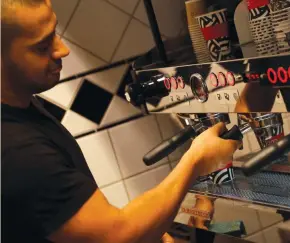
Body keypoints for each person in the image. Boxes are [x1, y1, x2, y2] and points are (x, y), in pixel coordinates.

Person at [1, 1, 240, 243]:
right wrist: (196, 160)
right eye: (43, 47)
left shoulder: (22, 106)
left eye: (55, 33)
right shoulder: (15, 149)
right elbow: (115, 236)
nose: (62, 49)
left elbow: (86, 218)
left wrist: (147, 227)